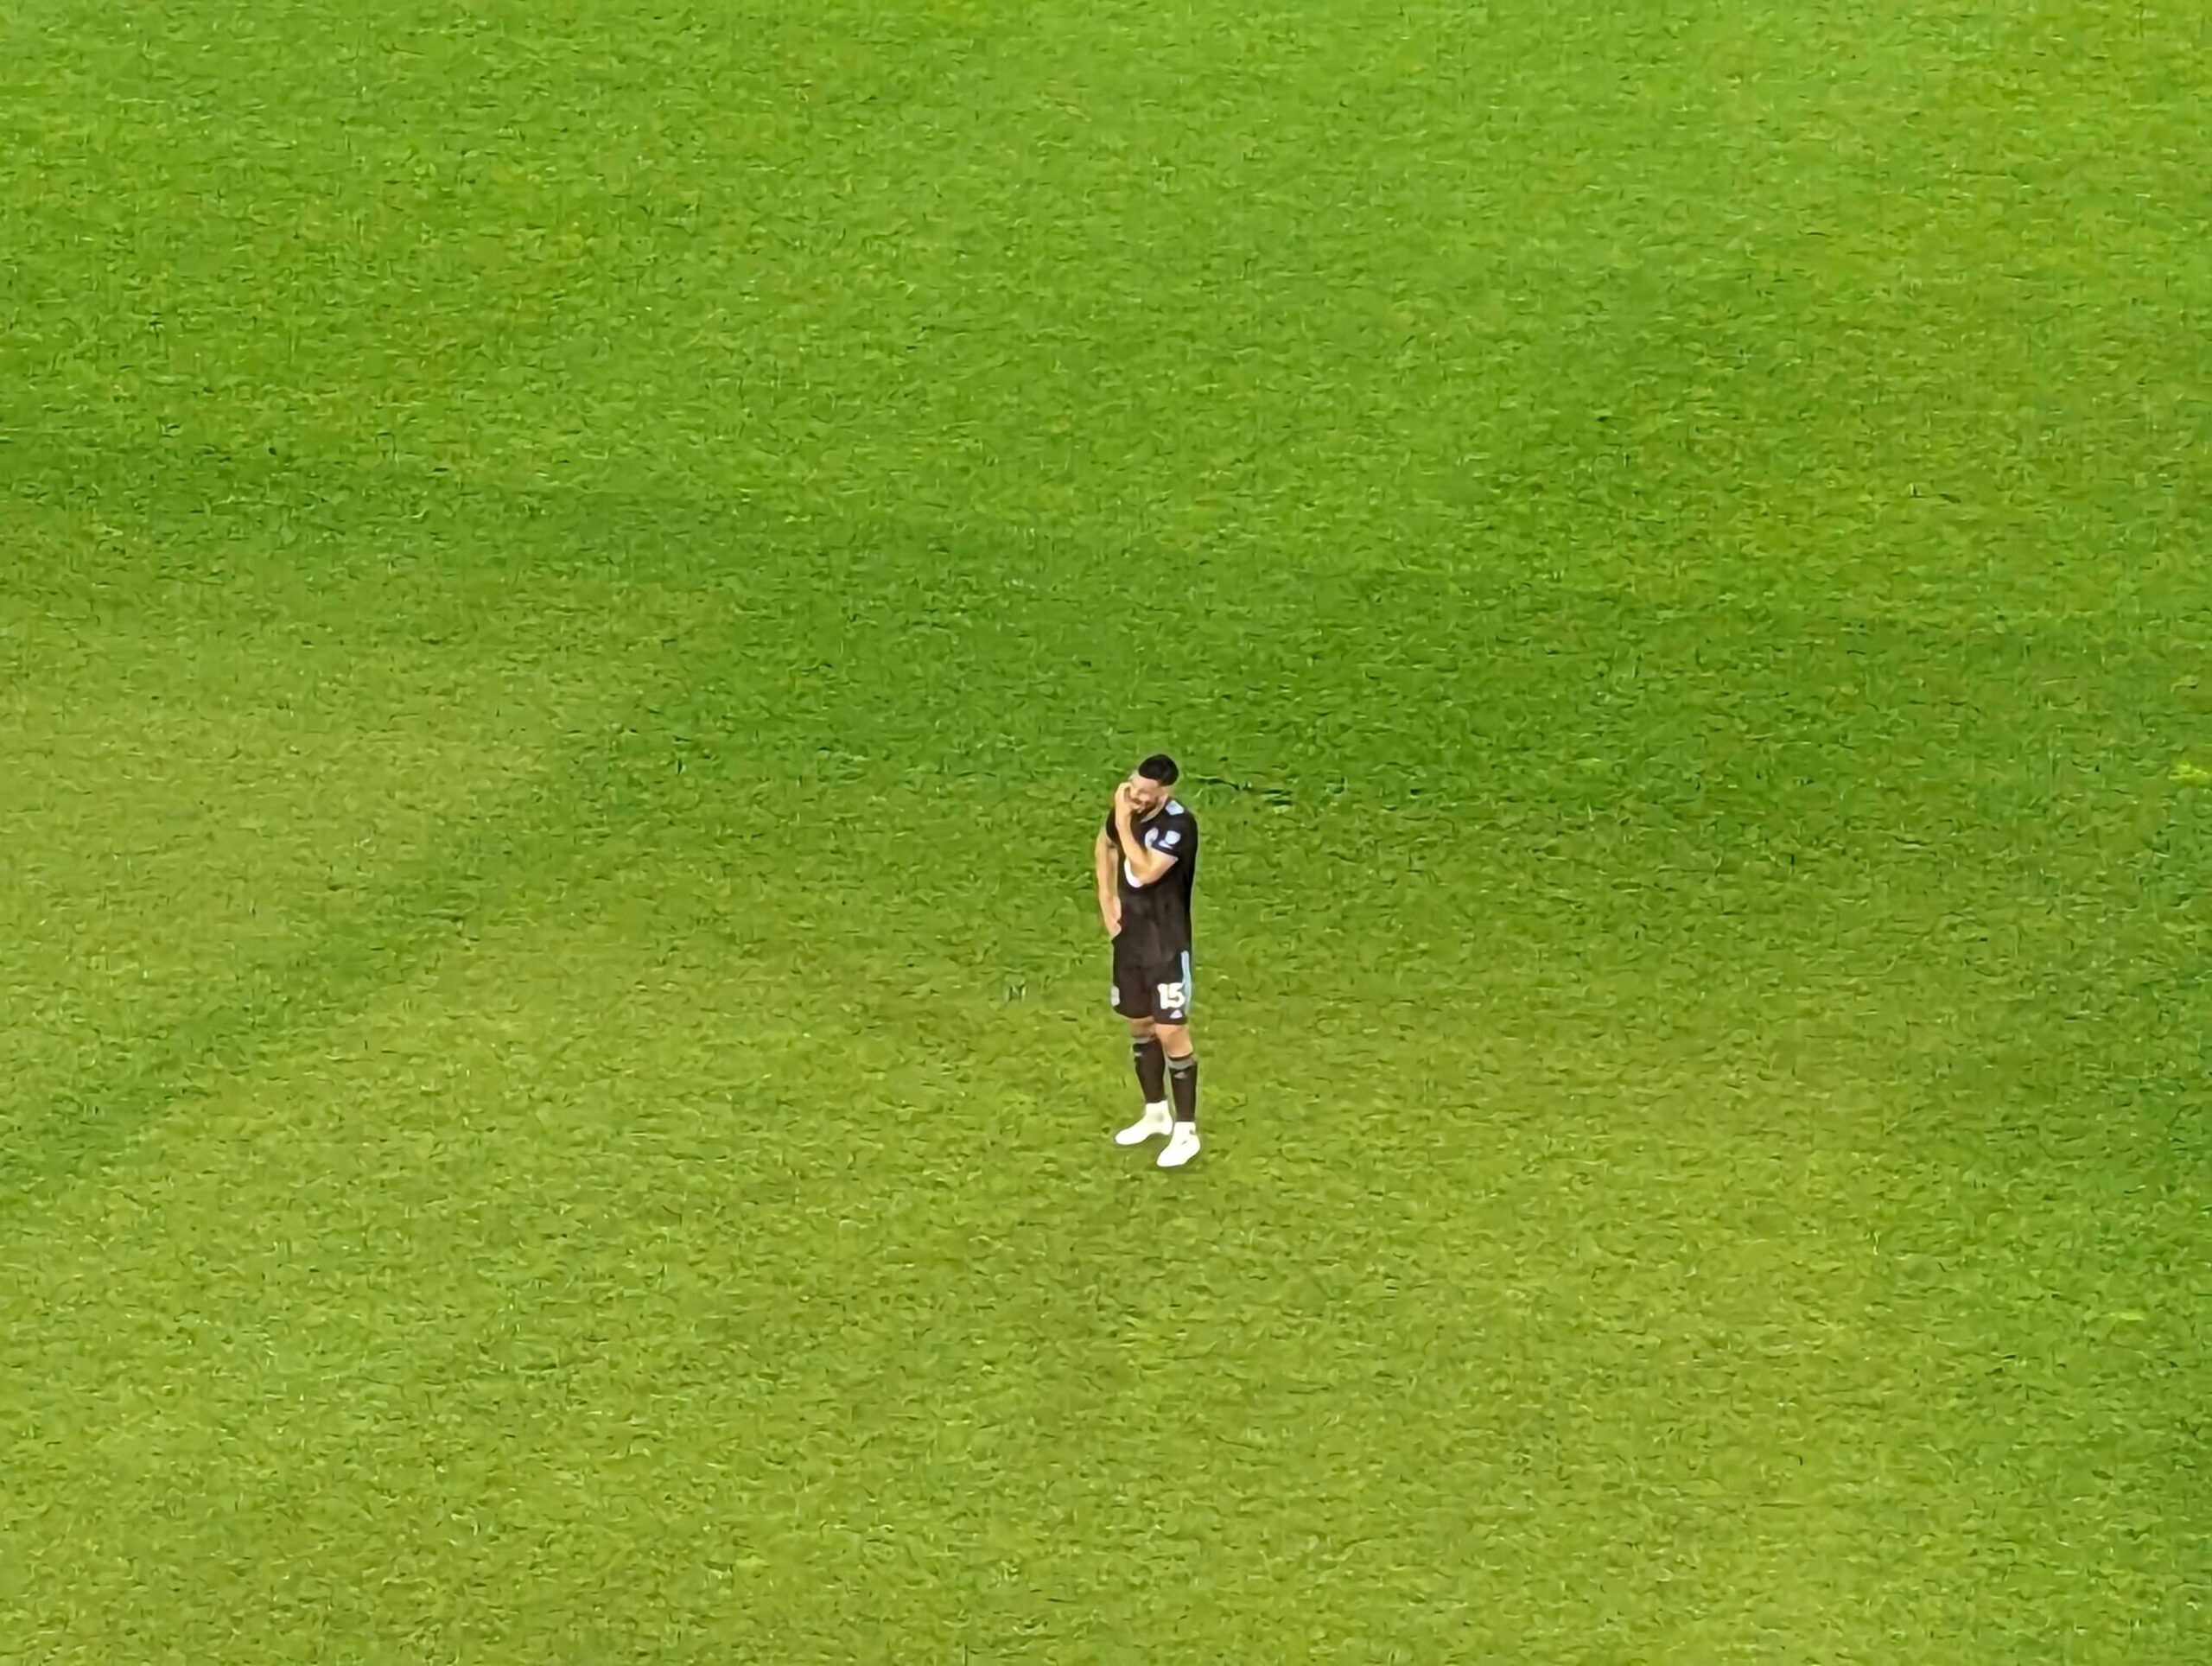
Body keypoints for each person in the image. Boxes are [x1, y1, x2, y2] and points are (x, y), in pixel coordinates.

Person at [1096, 754, 1201, 1167]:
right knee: (1139, 1024)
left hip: (1166, 943)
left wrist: (1124, 821)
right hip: (1132, 940)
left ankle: (1186, 1131)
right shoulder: (1127, 808)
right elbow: (1105, 845)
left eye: (1144, 794)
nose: (1135, 797)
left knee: (1171, 1031)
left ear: (1165, 792)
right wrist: (1107, 900)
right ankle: (1155, 1113)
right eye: (1132, 787)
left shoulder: (1178, 826)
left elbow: (1143, 872)